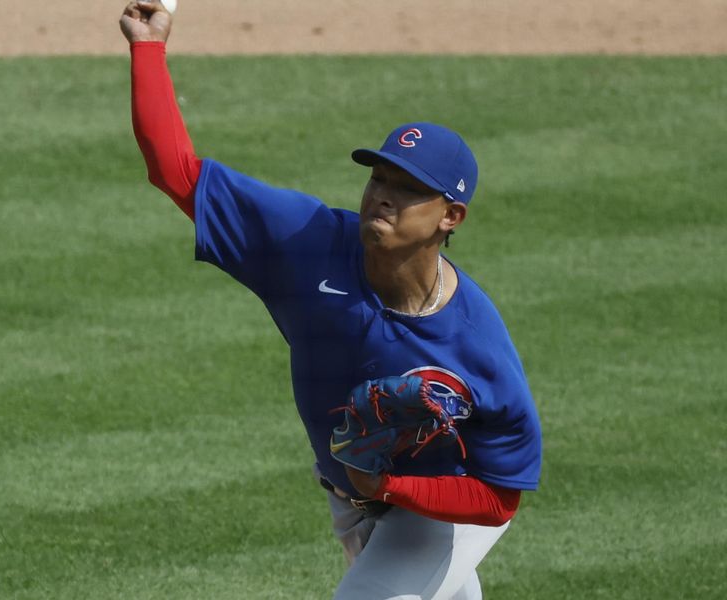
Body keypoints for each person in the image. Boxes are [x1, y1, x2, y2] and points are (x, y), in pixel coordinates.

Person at [119, 2, 542, 598]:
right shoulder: (308, 242)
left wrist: (391, 489)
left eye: (408, 190)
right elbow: (177, 172)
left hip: (436, 512)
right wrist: (148, 46)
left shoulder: (475, 345)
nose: (383, 198)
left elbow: (500, 496)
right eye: (379, 178)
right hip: (351, 502)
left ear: (451, 216)